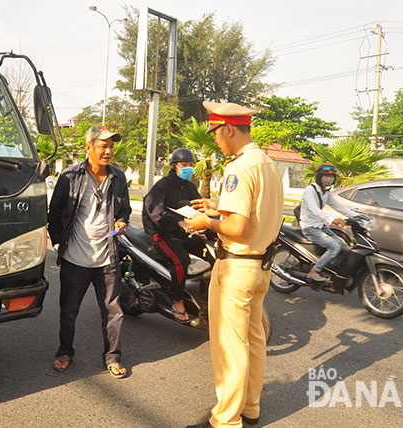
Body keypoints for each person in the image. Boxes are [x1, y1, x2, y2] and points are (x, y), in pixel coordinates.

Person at [184, 101, 283, 428]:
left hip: (237, 266)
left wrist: (206, 222)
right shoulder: (266, 163)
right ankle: (250, 408)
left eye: (215, 133)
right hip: (260, 267)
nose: (215, 140)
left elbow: (237, 228)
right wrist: (217, 206)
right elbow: (254, 214)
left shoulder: (239, 168)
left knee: (230, 346)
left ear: (228, 128)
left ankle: (225, 419)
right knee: (253, 339)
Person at [47, 125, 132, 379]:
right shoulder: (70, 177)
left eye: (111, 146)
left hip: (107, 258)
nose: (109, 151)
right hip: (76, 258)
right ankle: (65, 351)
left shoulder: (118, 177)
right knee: (69, 310)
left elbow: (124, 210)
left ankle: (113, 356)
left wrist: (122, 221)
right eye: (103, 145)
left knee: (113, 311)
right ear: (89, 147)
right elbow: (54, 213)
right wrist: (59, 244)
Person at [142, 147, 205, 323]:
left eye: (191, 165)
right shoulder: (162, 186)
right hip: (162, 235)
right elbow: (155, 210)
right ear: (174, 165)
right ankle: (177, 301)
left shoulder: (190, 186)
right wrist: (178, 222)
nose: (189, 169)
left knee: (210, 251)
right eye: (185, 165)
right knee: (181, 260)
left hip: (184, 234)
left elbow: (198, 206)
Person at [299, 163, 353, 283]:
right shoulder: (310, 190)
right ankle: (314, 271)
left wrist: (357, 216)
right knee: (334, 246)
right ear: (319, 176)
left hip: (321, 227)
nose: (330, 178)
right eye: (326, 175)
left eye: (332, 176)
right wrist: (332, 219)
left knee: (346, 248)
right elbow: (314, 209)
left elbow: (339, 207)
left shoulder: (327, 193)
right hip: (310, 227)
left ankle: (329, 268)